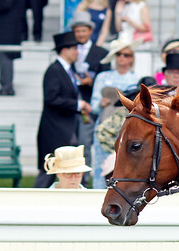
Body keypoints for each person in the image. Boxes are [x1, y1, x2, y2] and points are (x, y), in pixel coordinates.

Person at [35, 32, 93, 188]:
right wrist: (77, 104)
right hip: (54, 130)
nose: (77, 52)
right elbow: (51, 98)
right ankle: (35, 201)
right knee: (50, 169)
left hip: (64, 128)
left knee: (64, 169)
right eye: (74, 48)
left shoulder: (67, 70)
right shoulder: (54, 70)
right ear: (64, 50)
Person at [90, 36, 140, 188]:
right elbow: (93, 106)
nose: (122, 58)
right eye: (119, 54)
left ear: (132, 58)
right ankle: (98, 195)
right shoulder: (103, 77)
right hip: (105, 126)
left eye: (127, 54)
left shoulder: (136, 78)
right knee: (101, 165)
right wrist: (101, 103)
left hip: (126, 127)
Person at [70, 11, 110, 173]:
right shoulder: (70, 50)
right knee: (74, 145)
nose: (80, 34)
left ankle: (85, 178)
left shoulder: (101, 53)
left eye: (83, 30)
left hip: (91, 106)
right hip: (72, 105)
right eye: (77, 31)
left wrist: (91, 82)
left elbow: (106, 81)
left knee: (85, 145)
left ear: (90, 31)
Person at [0, 0, 24, 96]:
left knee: (6, 55)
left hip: (8, 26)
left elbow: (6, 4)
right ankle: (6, 86)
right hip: (8, 25)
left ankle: (6, 87)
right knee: (5, 55)